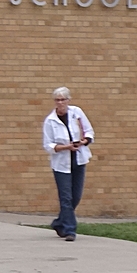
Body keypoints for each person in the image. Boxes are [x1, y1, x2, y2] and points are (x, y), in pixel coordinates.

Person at [42, 87, 95, 242]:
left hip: (78, 159)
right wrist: (66, 147)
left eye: (63, 99)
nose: (60, 103)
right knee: (65, 197)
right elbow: (48, 146)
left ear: (68, 100)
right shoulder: (50, 121)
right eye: (57, 100)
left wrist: (83, 142)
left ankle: (59, 222)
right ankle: (70, 230)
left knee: (75, 196)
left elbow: (89, 132)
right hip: (61, 164)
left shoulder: (76, 113)